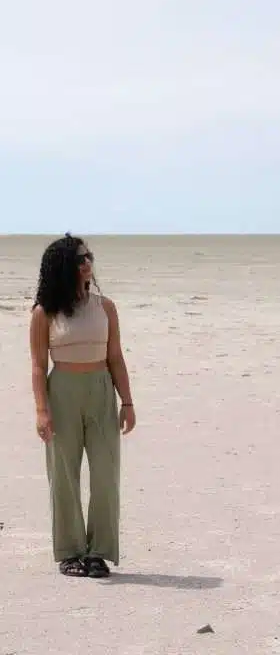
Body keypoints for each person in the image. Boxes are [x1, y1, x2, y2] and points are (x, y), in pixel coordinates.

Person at [28, 233, 136, 578]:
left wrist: (127, 401)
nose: (87, 263)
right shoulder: (44, 313)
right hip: (62, 392)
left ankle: (98, 552)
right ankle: (71, 551)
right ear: (63, 266)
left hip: (101, 389)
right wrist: (41, 410)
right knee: (64, 475)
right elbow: (37, 365)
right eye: (79, 259)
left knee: (106, 473)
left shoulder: (106, 308)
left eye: (88, 256)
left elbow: (116, 357)